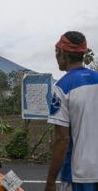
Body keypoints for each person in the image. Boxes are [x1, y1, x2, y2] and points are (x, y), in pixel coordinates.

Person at [45, 31, 98, 191]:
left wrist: (50, 182)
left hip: (79, 174)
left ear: (63, 55)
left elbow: (62, 139)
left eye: (56, 52)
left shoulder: (62, 87)